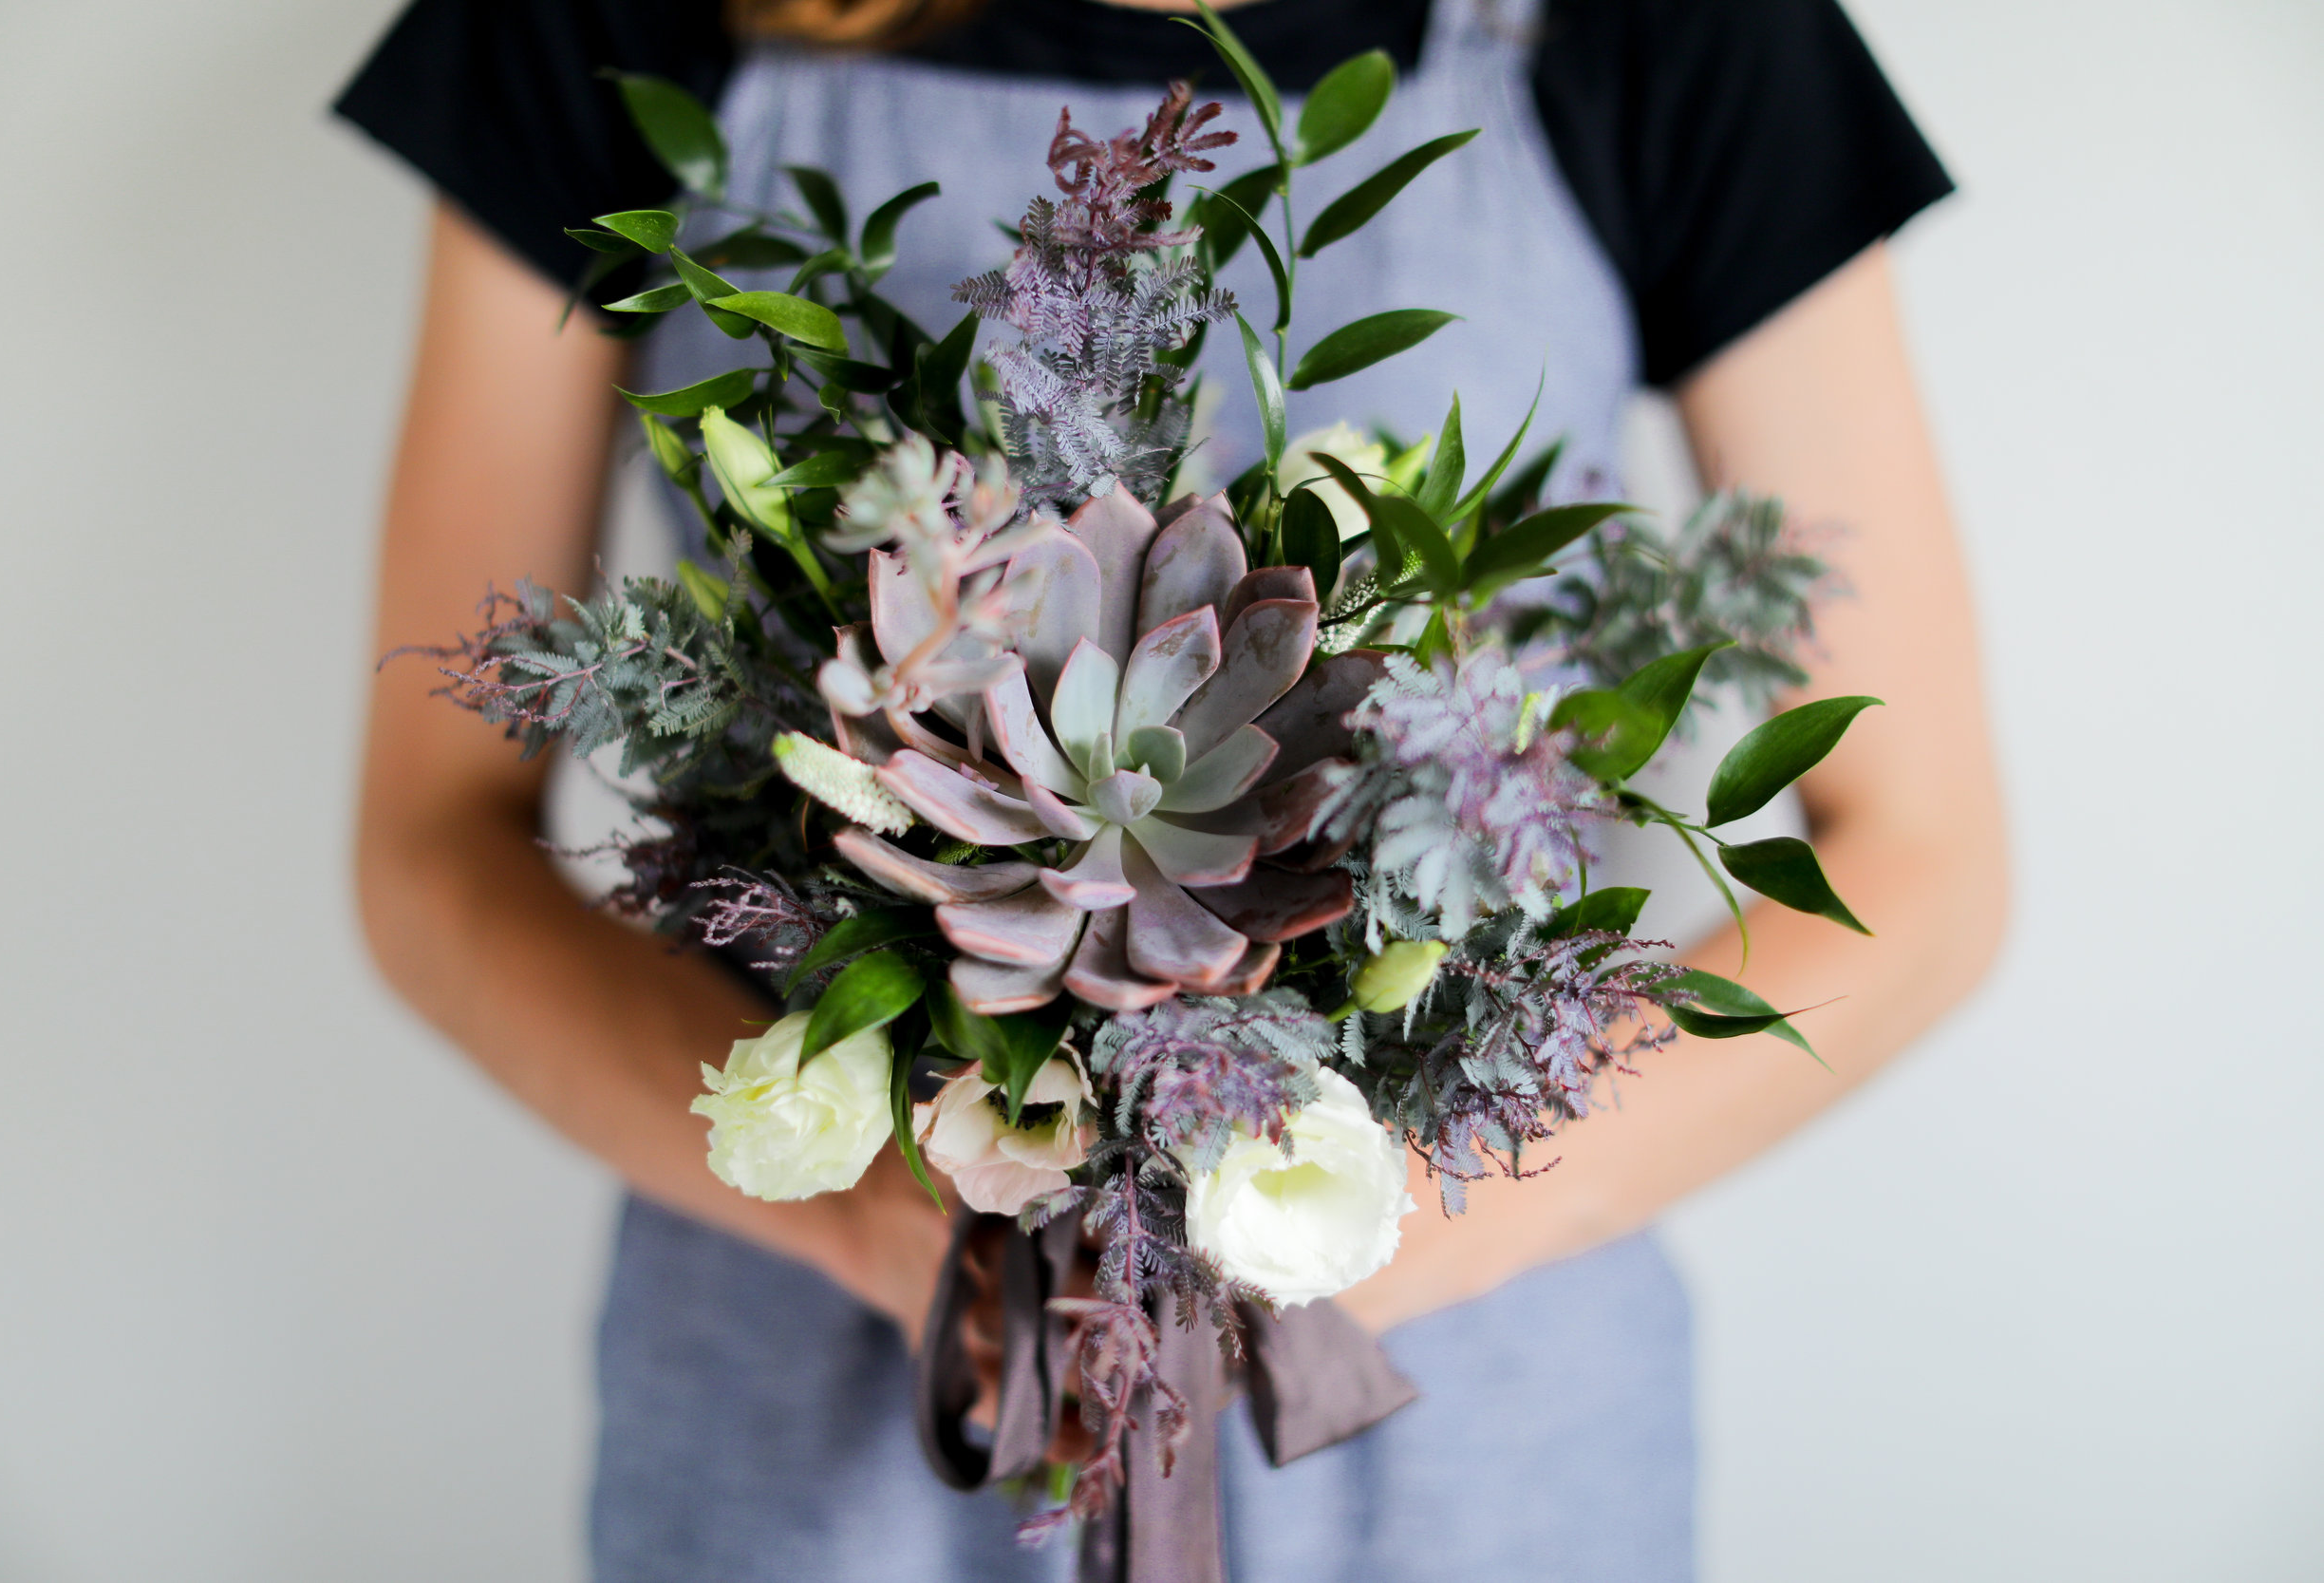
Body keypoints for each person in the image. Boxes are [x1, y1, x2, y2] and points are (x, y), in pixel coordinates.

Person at [340, 0, 2004, 1576]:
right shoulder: (608, 22)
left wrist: (1331, 1222)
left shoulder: (1655, 30)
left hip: (1466, 1448)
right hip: (828, 1424)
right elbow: (431, 844)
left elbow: (1922, 867)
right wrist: (881, 1213)